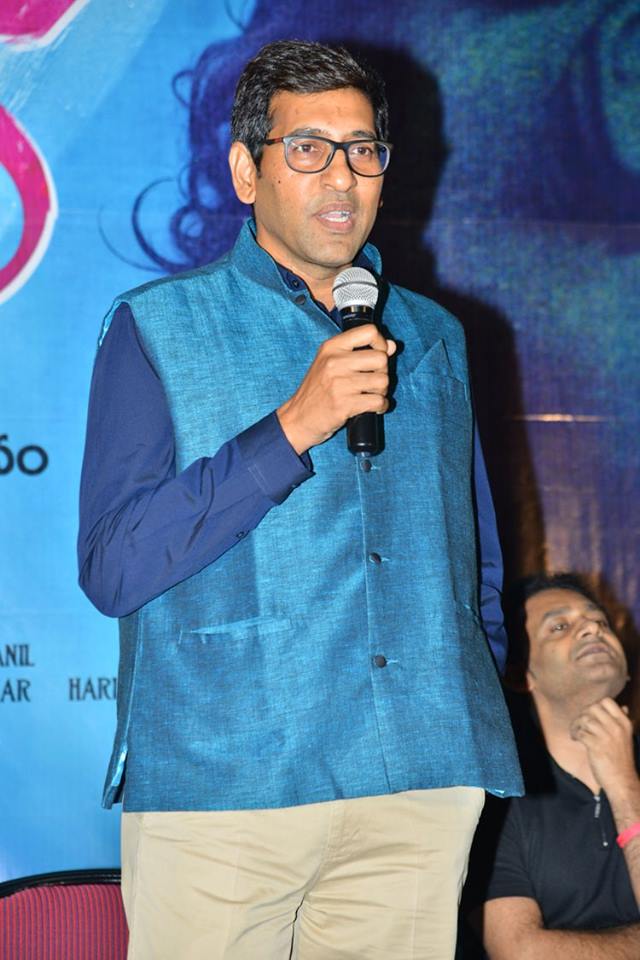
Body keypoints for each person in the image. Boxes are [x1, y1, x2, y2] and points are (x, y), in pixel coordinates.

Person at [78, 39, 521, 959]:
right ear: (247, 172)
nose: (342, 176)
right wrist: (292, 427)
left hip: (419, 780)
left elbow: (474, 561)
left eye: (363, 150)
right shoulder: (158, 325)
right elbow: (115, 564)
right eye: (308, 148)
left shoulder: (436, 336)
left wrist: (467, 703)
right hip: (227, 780)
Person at [468, 573, 640, 959]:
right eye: (560, 626)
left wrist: (624, 786)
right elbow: (519, 952)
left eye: (600, 621)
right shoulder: (498, 793)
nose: (592, 629)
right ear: (520, 675)